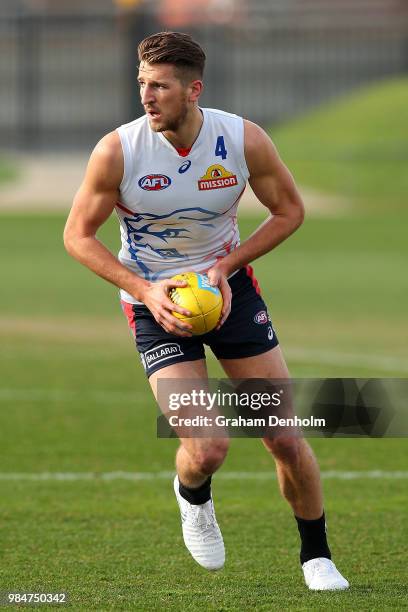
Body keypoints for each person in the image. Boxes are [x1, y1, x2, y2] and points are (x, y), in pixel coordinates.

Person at [64, 31, 349, 590]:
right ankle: (193, 495)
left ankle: (316, 556)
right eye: (142, 84)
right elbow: (77, 235)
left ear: (193, 89)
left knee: (284, 436)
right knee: (209, 447)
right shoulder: (118, 150)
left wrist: (226, 266)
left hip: (231, 293)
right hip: (154, 304)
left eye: (161, 86)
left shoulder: (242, 140)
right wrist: (144, 291)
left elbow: (288, 212)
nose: (148, 96)